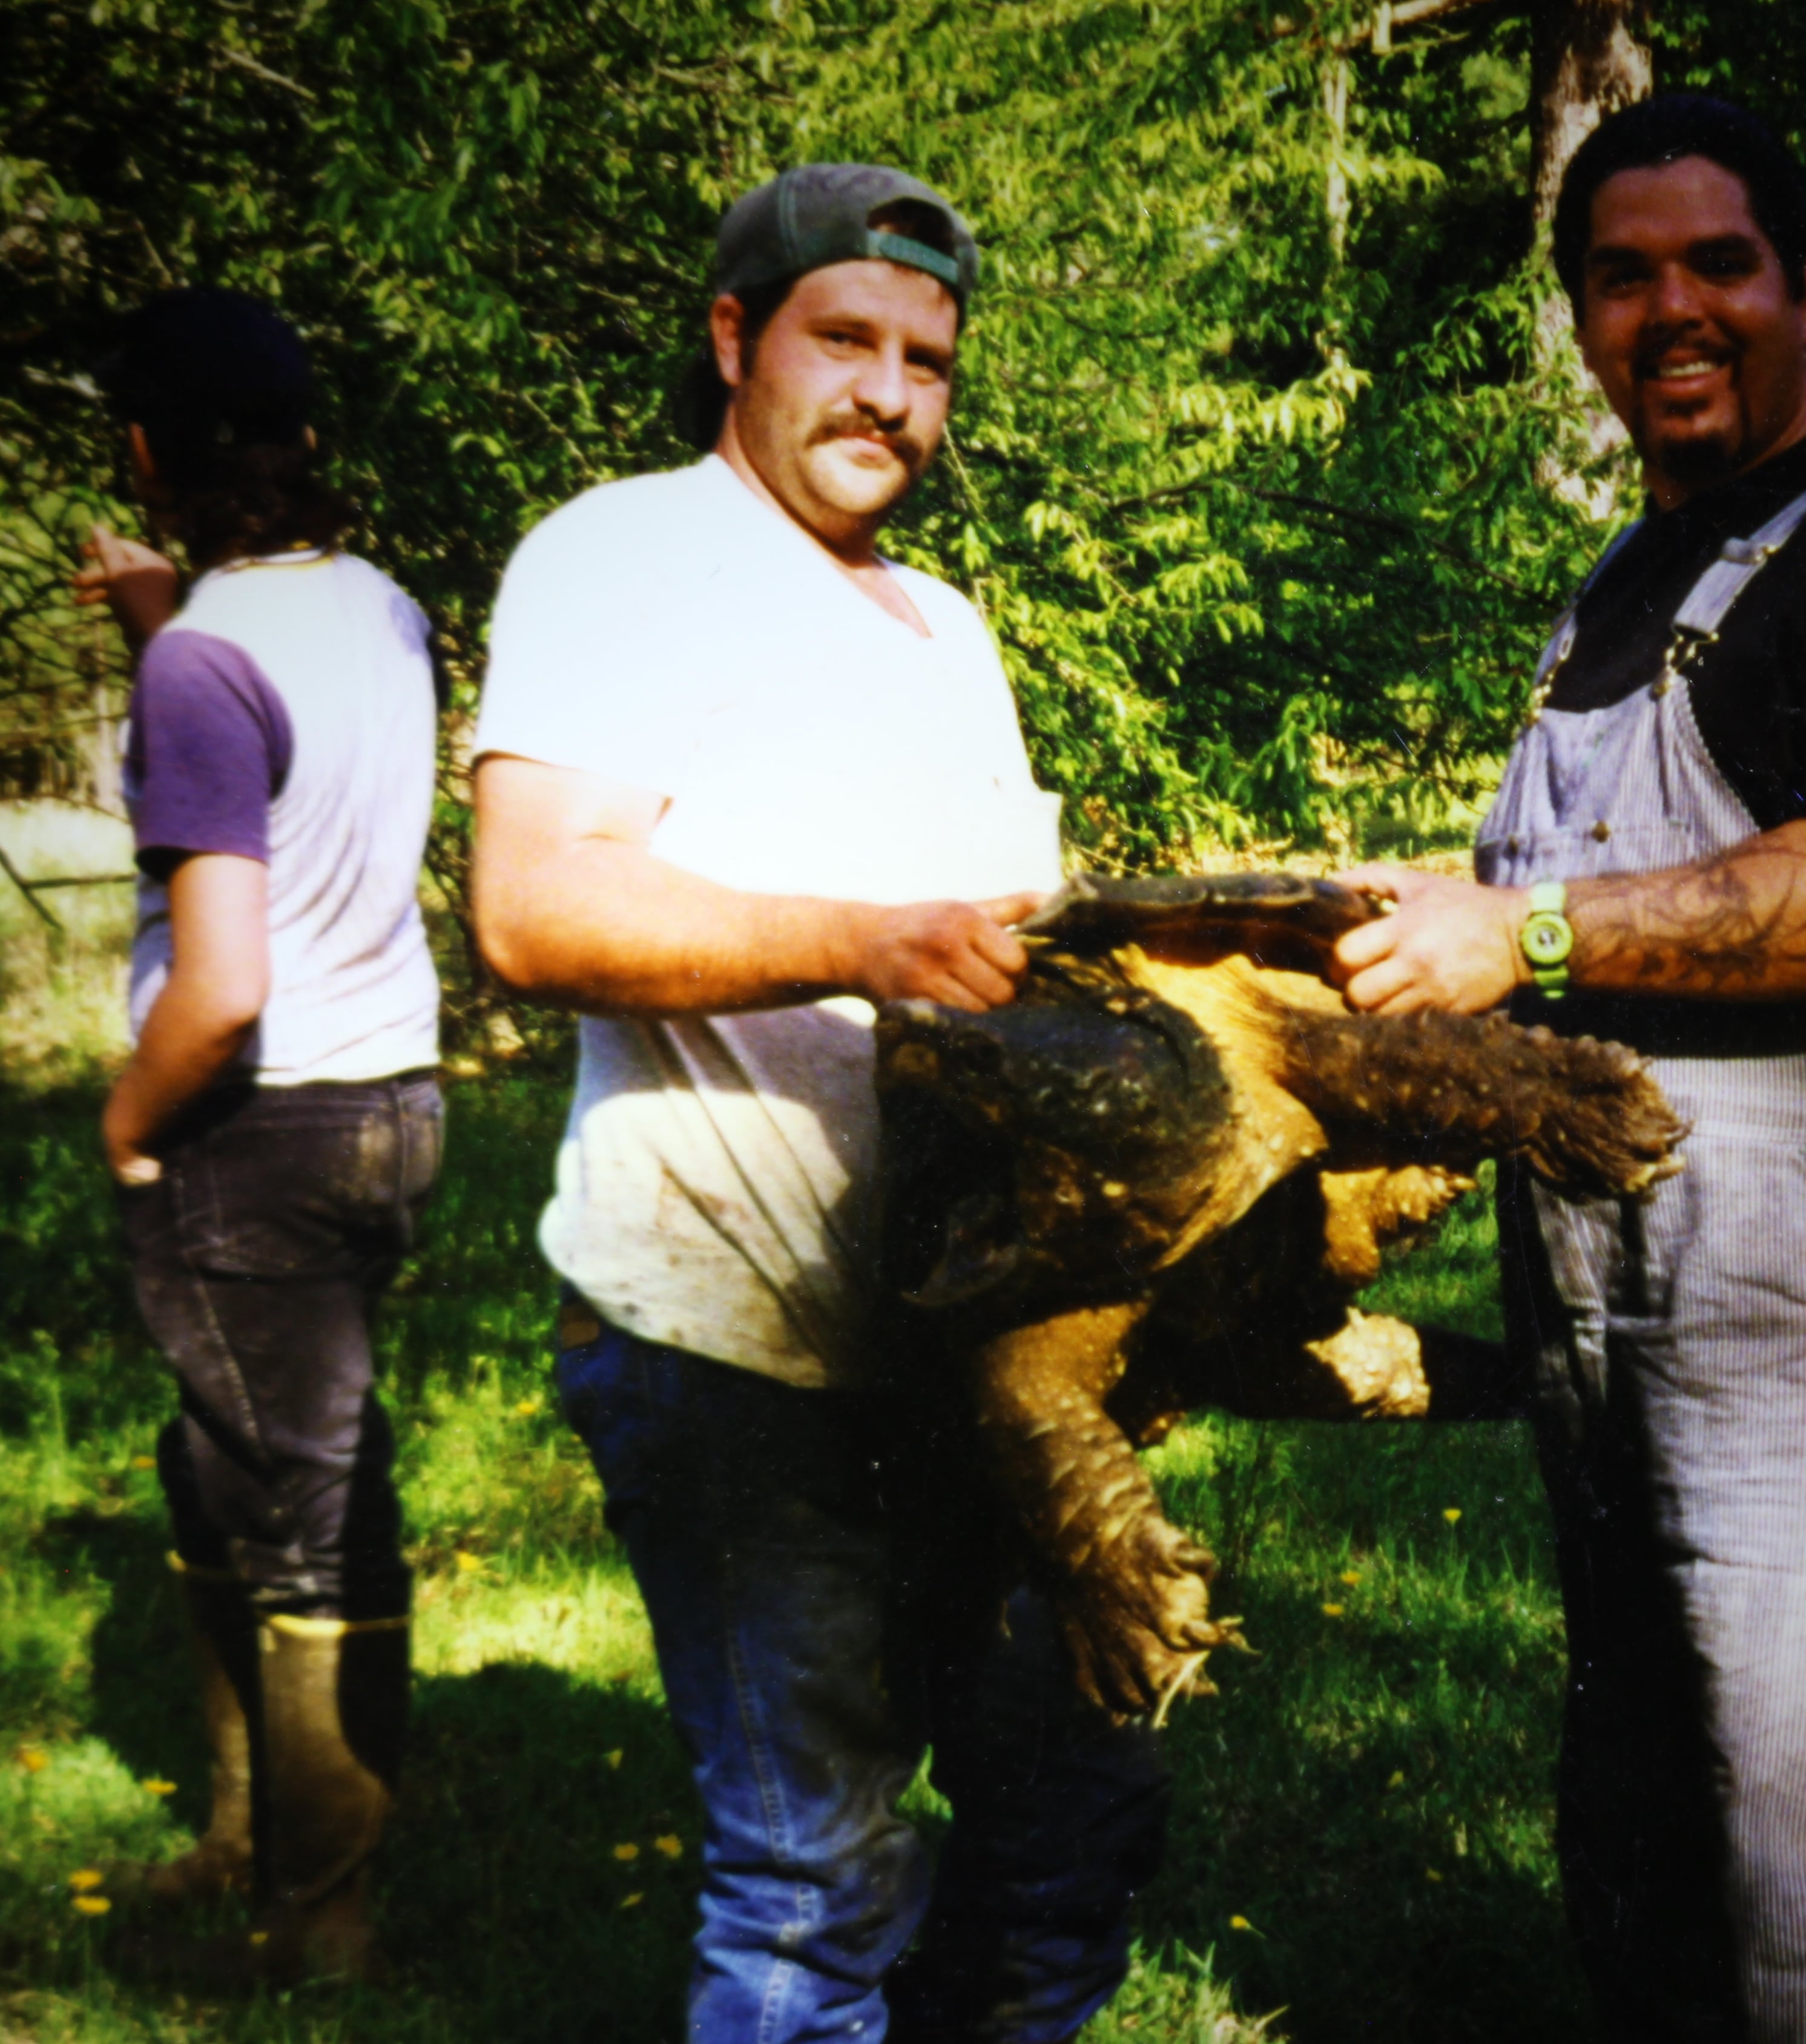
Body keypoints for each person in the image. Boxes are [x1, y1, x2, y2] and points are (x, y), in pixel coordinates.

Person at [1332, 94, 1806, 2043]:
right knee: (1660, 1906)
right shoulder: (1618, 592)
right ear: (1583, 316)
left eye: (1719, 264)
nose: (1671, 308)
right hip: (1627, 1365)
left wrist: (1528, 937)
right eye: (1621, 273)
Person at [467, 165, 1150, 2044]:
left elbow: (1013, 956)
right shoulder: (624, 558)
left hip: (971, 1341)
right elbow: (535, 906)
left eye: (927, 361)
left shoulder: (945, 626)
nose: (890, 397)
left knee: (1066, 1829)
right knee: (815, 1880)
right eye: (842, 341)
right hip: (734, 1345)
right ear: (729, 342)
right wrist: (864, 939)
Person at [77, 289, 446, 1983]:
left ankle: (328, 1932)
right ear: (304, 442)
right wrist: (170, 624)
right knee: (230, 1466)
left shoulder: (203, 671)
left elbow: (219, 985)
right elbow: (301, 764)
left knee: (303, 1507)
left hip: (256, 1124)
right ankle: (249, 1840)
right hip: (394, 1105)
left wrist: (129, 1113)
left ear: (147, 455)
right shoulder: (375, 609)